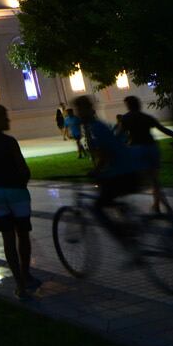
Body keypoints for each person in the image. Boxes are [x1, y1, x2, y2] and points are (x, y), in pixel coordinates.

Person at [0, 104, 39, 299]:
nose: (8, 120)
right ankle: (26, 274)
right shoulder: (9, 141)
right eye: (5, 117)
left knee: (8, 239)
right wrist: (23, 179)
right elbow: (22, 168)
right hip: (16, 192)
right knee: (23, 235)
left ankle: (19, 284)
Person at [73, 96, 145, 255]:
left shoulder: (95, 127)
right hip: (127, 170)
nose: (78, 113)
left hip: (123, 173)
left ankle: (125, 239)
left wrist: (97, 170)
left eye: (79, 109)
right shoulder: (96, 126)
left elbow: (105, 154)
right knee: (108, 198)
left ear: (85, 110)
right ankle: (128, 224)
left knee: (98, 207)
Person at [120, 96, 173, 215]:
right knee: (154, 180)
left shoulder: (126, 118)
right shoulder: (146, 117)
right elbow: (163, 129)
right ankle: (158, 205)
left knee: (148, 180)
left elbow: (119, 135)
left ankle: (164, 205)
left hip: (138, 149)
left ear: (128, 106)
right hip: (152, 148)